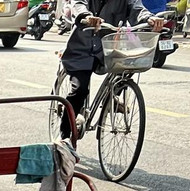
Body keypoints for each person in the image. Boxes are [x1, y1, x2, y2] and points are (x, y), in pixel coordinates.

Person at [59, 0, 164, 138]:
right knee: (80, 89)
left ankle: (112, 96)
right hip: (81, 51)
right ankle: (64, 137)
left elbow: (137, 8)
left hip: (108, 49)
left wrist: (149, 18)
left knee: (128, 67)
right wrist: (86, 16)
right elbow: (78, 4)